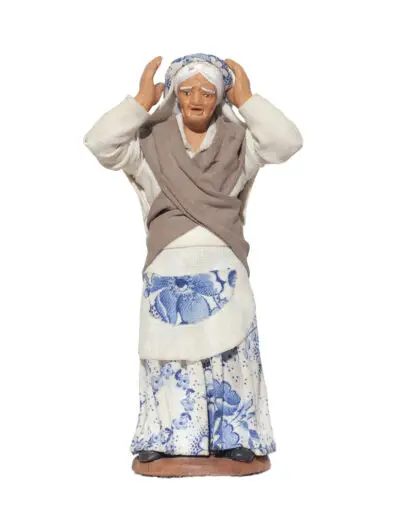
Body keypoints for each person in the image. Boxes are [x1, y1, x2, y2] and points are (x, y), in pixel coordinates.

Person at [84, 53, 303, 464]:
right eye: (187, 91)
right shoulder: (147, 142)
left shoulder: (241, 142)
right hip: (167, 264)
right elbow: (100, 143)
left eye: (206, 91)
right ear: (175, 95)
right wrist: (139, 103)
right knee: (167, 354)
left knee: (229, 351)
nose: (196, 100)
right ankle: (164, 436)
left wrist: (248, 100)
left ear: (220, 96)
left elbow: (286, 142)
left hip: (223, 264)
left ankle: (233, 435)